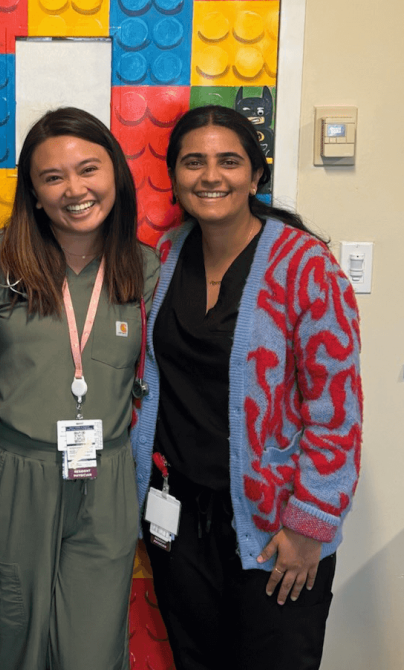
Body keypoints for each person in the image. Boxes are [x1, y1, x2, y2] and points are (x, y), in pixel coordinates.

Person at [130, 105, 362, 670]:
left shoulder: (306, 265)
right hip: (177, 522)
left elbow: (337, 410)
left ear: (255, 175)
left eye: (228, 161)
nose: (211, 176)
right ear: (176, 176)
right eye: (194, 162)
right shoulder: (165, 255)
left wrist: (310, 524)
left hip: (275, 528)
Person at [0, 107, 159, 670]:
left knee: (93, 653)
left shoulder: (144, 269)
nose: (75, 189)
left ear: (116, 176)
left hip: (107, 479)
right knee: (17, 645)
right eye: (53, 177)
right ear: (33, 192)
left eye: (88, 170)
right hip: (14, 476)